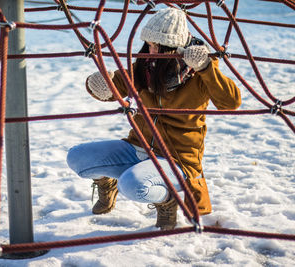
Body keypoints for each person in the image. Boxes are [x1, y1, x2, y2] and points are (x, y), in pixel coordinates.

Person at [66, 8, 241, 230]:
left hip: (177, 160)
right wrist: (100, 85)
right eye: (148, 43)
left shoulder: (198, 73)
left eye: (158, 45)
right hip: (138, 146)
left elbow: (231, 102)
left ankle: (167, 201)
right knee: (77, 157)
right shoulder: (144, 67)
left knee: (133, 185)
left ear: (175, 48)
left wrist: (206, 67)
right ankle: (107, 182)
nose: (151, 49)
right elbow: (118, 85)